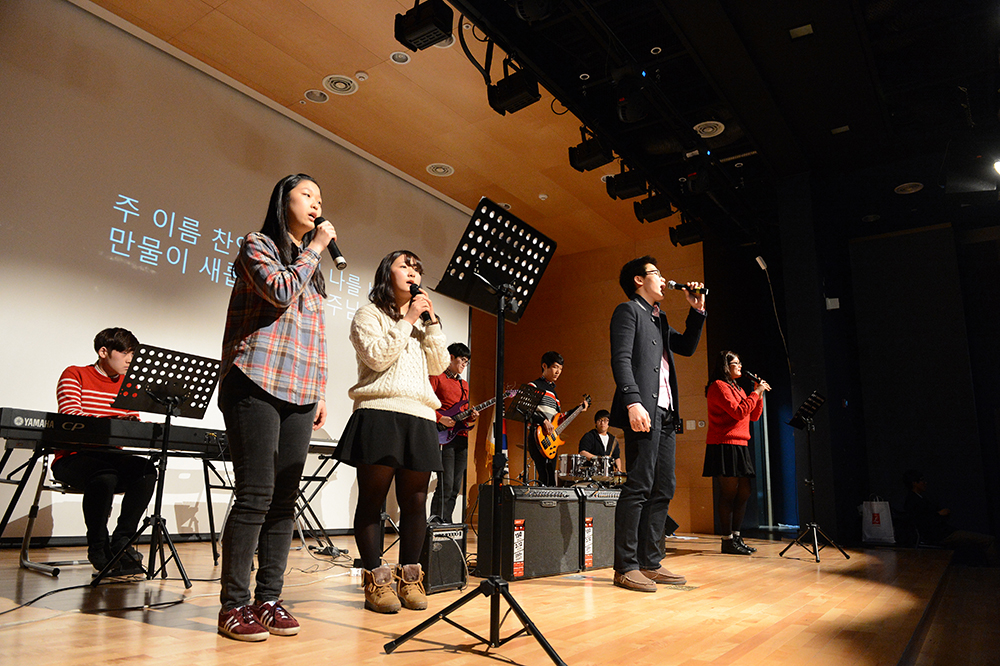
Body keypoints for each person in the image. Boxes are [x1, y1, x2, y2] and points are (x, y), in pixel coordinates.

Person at [217, 173, 334, 642]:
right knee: (256, 494)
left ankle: (268, 598)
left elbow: (316, 334)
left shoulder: (313, 268)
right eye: (307, 195)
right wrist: (317, 246)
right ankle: (233, 605)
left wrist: (320, 390)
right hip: (256, 379)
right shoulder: (257, 244)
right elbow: (280, 290)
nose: (317, 204)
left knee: (285, 500)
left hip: (301, 390)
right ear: (283, 200)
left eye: (320, 199)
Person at [334, 250, 449, 614]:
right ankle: (377, 580)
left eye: (417, 268)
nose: (413, 273)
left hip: (420, 415)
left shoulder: (424, 324)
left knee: (416, 502)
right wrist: (407, 319)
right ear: (387, 273)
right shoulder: (368, 314)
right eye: (405, 266)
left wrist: (430, 323)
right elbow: (376, 357)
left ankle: (410, 578)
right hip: (380, 412)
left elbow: (440, 366)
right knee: (373, 500)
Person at [610, 256, 705, 593]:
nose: (664, 279)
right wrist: (632, 401)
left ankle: (651, 562)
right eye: (657, 274)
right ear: (639, 280)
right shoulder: (628, 311)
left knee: (664, 486)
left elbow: (687, 347)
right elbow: (621, 359)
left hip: (666, 413)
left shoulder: (659, 318)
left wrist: (697, 310)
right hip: (643, 409)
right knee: (639, 484)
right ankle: (625, 566)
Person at [52, 327, 155, 576]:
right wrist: (113, 419)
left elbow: (128, 426)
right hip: (74, 457)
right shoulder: (75, 374)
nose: (130, 359)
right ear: (103, 352)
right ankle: (98, 546)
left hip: (111, 456)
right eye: (125, 353)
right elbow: (71, 416)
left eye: (133, 354)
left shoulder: (128, 384)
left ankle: (122, 541)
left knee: (146, 470)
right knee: (105, 476)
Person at [703, 351, 770, 555]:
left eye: (740, 362)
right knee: (728, 493)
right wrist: (756, 393)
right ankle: (727, 540)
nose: (740, 366)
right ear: (726, 366)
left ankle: (737, 536)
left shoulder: (738, 388)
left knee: (745, 492)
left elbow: (753, 416)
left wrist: (758, 394)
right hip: (724, 444)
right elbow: (739, 412)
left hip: (740, 444)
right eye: (736, 363)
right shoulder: (718, 386)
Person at [902, 470, 997, 565]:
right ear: (914, 483)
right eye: (922, 480)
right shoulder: (914, 501)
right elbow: (925, 521)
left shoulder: (917, 499)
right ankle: (995, 570)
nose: (925, 483)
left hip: (942, 533)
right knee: (988, 540)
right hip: (941, 535)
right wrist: (939, 514)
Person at [429, 342, 478, 524]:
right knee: (446, 484)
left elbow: (462, 413)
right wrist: (440, 418)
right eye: (462, 360)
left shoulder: (464, 384)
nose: (465, 364)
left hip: (461, 437)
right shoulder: (437, 377)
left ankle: (447, 522)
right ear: (451, 358)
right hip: (444, 436)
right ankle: (436, 522)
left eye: (467, 362)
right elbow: (426, 403)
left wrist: (471, 416)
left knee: (456, 485)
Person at [528, 351, 588, 487]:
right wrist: (543, 421)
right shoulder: (534, 386)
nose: (558, 372)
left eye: (560, 369)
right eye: (555, 367)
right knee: (543, 475)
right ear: (544, 366)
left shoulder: (554, 394)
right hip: (537, 435)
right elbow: (525, 410)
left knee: (551, 479)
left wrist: (577, 409)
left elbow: (558, 419)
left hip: (551, 440)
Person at [578, 409, 622, 474]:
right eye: (599, 420)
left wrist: (619, 468)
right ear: (595, 422)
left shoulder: (612, 439)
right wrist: (599, 459)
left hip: (608, 473)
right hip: (592, 472)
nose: (602, 423)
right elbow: (583, 452)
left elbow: (617, 457)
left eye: (605, 420)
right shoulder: (589, 436)